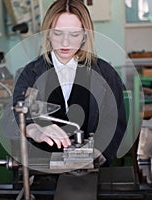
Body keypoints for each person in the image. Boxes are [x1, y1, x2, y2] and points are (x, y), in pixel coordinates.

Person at [13, 0, 127, 167]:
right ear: (48, 34)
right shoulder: (29, 74)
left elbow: (115, 121)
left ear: (84, 36)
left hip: (93, 170)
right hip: (43, 170)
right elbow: (16, 116)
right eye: (58, 33)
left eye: (74, 34)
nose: (65, 43)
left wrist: (99, 153)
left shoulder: (106, 74)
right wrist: (34, 130)